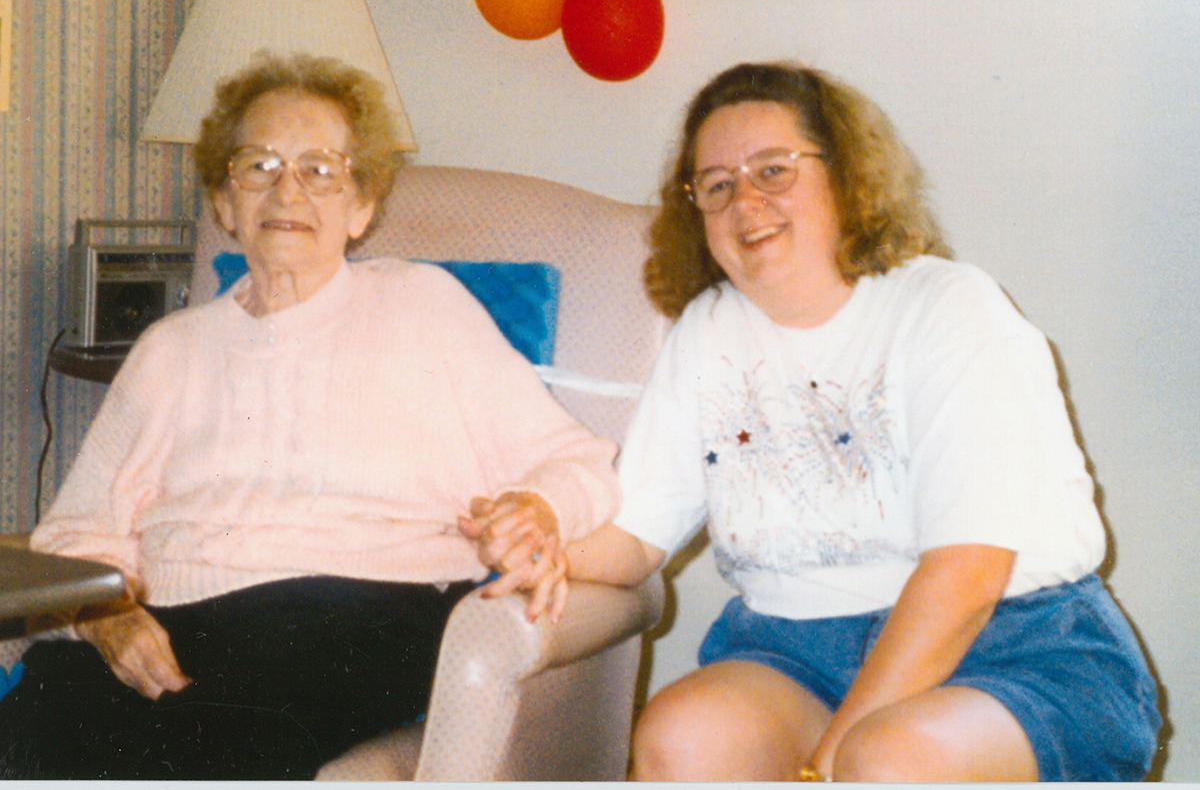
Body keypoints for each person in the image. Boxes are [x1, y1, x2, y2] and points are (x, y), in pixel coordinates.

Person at [0, 53, 617, 780]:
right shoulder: (171, 350)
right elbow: (77, 533)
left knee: (236, 736)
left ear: (361, 206)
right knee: (43, 707)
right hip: (179, 616)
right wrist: (110, 620)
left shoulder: (425, 307)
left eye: (320, 168)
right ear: (225, 203)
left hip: (359, 613)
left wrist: (538, 508)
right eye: (258, 165)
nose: (287, 187)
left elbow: (581, 462)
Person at [539, 62, 1161, 781]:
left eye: (773, 170)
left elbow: (968, 574)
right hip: (794, 653)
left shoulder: (952, 306)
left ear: (846, 174)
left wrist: (827, 763)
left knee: (886, 760)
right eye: (716, 185)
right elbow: (635, 536)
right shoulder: (706, 332)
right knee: (681, 737)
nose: (746, 200)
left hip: (1013, 646)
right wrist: (549, 552)